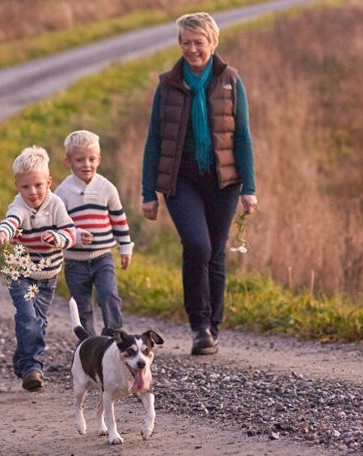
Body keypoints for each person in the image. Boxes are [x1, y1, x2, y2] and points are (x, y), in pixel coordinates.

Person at [140, 12, 258, 356]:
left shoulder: (230, 81)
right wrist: (149, 192)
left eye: (198, 43)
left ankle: (211, 329)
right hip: (181, 180)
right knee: (197, 246)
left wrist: (249, 187)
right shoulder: (167, 85)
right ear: (180, 44)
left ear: (213, 43)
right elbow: (153, 140)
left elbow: (243, 137)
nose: (192, 49)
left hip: (224, 180)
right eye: (186, 43)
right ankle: (199, 324)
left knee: (215, 253)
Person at [0, 146, 76, 391]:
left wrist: (59, 238)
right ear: (17, 186)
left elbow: (70, 231)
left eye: (38, 185)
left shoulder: (56, 204)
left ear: (49, 182)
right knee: (28, 317)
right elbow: (11, 221)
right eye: (26, 187)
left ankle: (23, 359)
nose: (33, 192)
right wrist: (2, 234)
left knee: (38, 323)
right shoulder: (19, 206)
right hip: (20, 274)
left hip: (48, 277)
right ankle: (33, 367)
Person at [53, 130, 133, 337]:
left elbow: (118, 219)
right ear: (68, 162)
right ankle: (88, 345)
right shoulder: (62, 193)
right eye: (80, 160)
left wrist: (125, 248)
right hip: (74, 262)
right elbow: (57, 226)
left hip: (102, 257)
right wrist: (75, 236)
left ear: (99, 159)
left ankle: (114, 335)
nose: (86, 165)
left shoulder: (107, 188)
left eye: (91, 159)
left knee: (109, 295)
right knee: (82, 306)